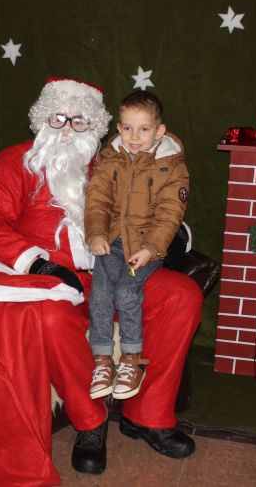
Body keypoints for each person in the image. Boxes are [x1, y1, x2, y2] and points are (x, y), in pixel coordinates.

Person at [0, 77, 202, 486]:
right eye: (58, 118)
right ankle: (90, 421)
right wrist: (36, 264)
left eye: (79, 121)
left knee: (181, 295)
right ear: (41, 119)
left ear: (97, 127)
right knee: (50, 320)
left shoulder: (113, 162)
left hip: (113, 271)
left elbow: (157, 208)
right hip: (50, 283)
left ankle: (147, 416)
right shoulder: (17, 163)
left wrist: (166, 244)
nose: (67, 129)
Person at [84, 90, 189, 402]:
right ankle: (102, 361)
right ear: (118, 128)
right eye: (127, 128)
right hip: (113, 240)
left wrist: (151, 249)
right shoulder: (110, 158)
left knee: (127, 292)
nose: (134, 136)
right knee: (100, 294)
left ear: (159, 131)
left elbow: (170, 214)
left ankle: (131, 360)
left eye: (144, 129)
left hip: (146, 245)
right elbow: (97, 200)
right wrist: (96, 234)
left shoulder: (171, 165)